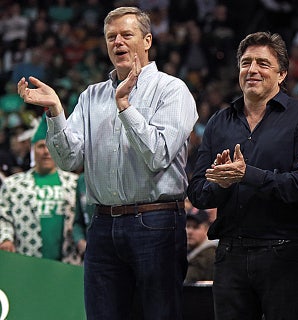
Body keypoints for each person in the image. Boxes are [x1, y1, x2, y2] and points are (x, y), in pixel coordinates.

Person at [17, 6, 198, 319]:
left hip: (156, 224)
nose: (118, 42)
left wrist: (125, 107)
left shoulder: (172, 90)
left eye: (127, 35)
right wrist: (55, 112)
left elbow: (157, 155)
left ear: (147, 41)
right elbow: (69, 159)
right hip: (101, 226)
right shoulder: (90, 97)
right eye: (111, 37)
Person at [187, 31, 298, 320]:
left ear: (282, 73)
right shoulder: (219, 122)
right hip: (229, 257)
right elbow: (198, 191)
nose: (252, 70)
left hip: (285, 255)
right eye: (246, 63)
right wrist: (221, 184)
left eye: (263, 63)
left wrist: (248, 175)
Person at [0, 117, 80, 264]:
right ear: (33, 150)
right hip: (26, 261)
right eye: (41, 146)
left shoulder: (74, 184)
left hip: (69, 262)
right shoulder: (13, 185)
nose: (46, 152)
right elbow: (3, 218)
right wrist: (5, 239)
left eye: (51, 147)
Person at [184, 210, 216, 284]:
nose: (189, 232)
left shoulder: (211, 255)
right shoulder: (185, 251)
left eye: (195, 227)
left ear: (207, 229)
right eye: (187, 226)